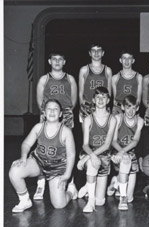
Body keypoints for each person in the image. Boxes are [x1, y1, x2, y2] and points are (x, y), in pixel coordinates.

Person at [9, 99, 78, 213]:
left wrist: (67, 174)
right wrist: (23, 157)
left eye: (55, 109)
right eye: (49, 109)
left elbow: (71, 155)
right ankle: (24, 200)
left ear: (61, 114)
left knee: (59, 205)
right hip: (39, 162)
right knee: (15, 171)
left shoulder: (66, 132)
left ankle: (71, 190)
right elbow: (26, 144)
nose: (52, 111)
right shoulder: (38, 127)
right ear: (44, 113)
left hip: (57, 167)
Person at [35, 52, 77, 200]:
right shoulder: (44, 79)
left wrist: (65, 113)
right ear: (49, 61)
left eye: (60, 59)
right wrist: (46, 114)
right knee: (42, 149)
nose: (57, 62)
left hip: (65, 115)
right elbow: (40, 101)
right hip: (48, 115)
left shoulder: (70, 79)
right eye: (54, 59)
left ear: (64, 61)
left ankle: (70, 181)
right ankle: (41, 183)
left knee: (66, 150)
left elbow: (73, 101)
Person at [76, 87, 116, 213]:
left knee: (101, 202)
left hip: (104, 154)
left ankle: (89, 186)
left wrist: (90, 157)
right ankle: (90, 201)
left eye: (103, 97)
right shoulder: (87, 119)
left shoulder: (112, 119)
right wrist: (90, 156)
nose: (100, 100)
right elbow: (85, 145)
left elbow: (107, 144)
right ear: (93, 100)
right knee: (92, 165)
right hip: (89, 151)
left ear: (108, 100)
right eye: (98, 97)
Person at [108, 95, 144, 210]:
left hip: (130, 153)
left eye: (133, 108)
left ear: (137, 108)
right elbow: (113, 141)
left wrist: (124, 152)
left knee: (130, 198)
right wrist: (122, 153)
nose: (131, 111)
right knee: (125, 160)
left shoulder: (140, 121)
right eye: (128, 107)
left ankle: (116, 183)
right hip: (116, 151)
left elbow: (135, 142)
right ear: (123, 107)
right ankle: (122, 197)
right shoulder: (117, 118)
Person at [78, 43, 113, 122]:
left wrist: (106, 106)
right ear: (90, 53)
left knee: (102, 133)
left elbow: (109, 92)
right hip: (87, 106)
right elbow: (80, 93)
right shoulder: (84, 70)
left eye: (99, 50)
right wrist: (82, 108)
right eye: (93, 50)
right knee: (86, 133)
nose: (96, 53)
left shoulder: (108, 70)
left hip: (102, 105)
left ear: (103, 53)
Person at [111, 50, 143, 115]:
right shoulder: (115, 77)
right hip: (118, 109)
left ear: (133, 61)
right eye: (124, 58)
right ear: (120, 60)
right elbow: (114, 100)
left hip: (132, 108)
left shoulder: (139, 77)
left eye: (129, 58)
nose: (126, 61)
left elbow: (138, 99)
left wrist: (131, 109)